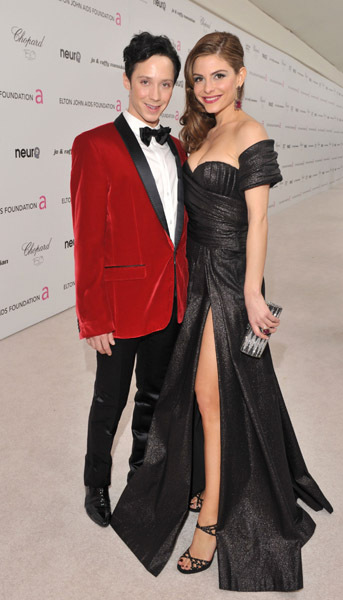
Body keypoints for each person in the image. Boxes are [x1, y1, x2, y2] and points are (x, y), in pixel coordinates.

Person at [111, 31, 333, 591]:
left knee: (213, 395)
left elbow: (259, 221)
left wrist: (254, 292)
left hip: (230, 279)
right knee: (201, 391)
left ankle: (210, 522)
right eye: (199, 78)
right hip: (196, 275)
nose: (207, 88)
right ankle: (207, 478)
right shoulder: (201, 130)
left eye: (218, 76)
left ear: (240, 76)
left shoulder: (251, 132)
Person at [70, 32, 190, 528]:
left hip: (169, 302)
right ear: (126, 80)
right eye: (145, 82)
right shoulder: (93, 146)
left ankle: (143, 474)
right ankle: (96, 483)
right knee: (109, 402)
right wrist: (92, 316)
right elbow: (88, 239)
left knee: (155, 399)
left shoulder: (179, 148)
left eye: (165, 84)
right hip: (118, 309)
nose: (155, 95)